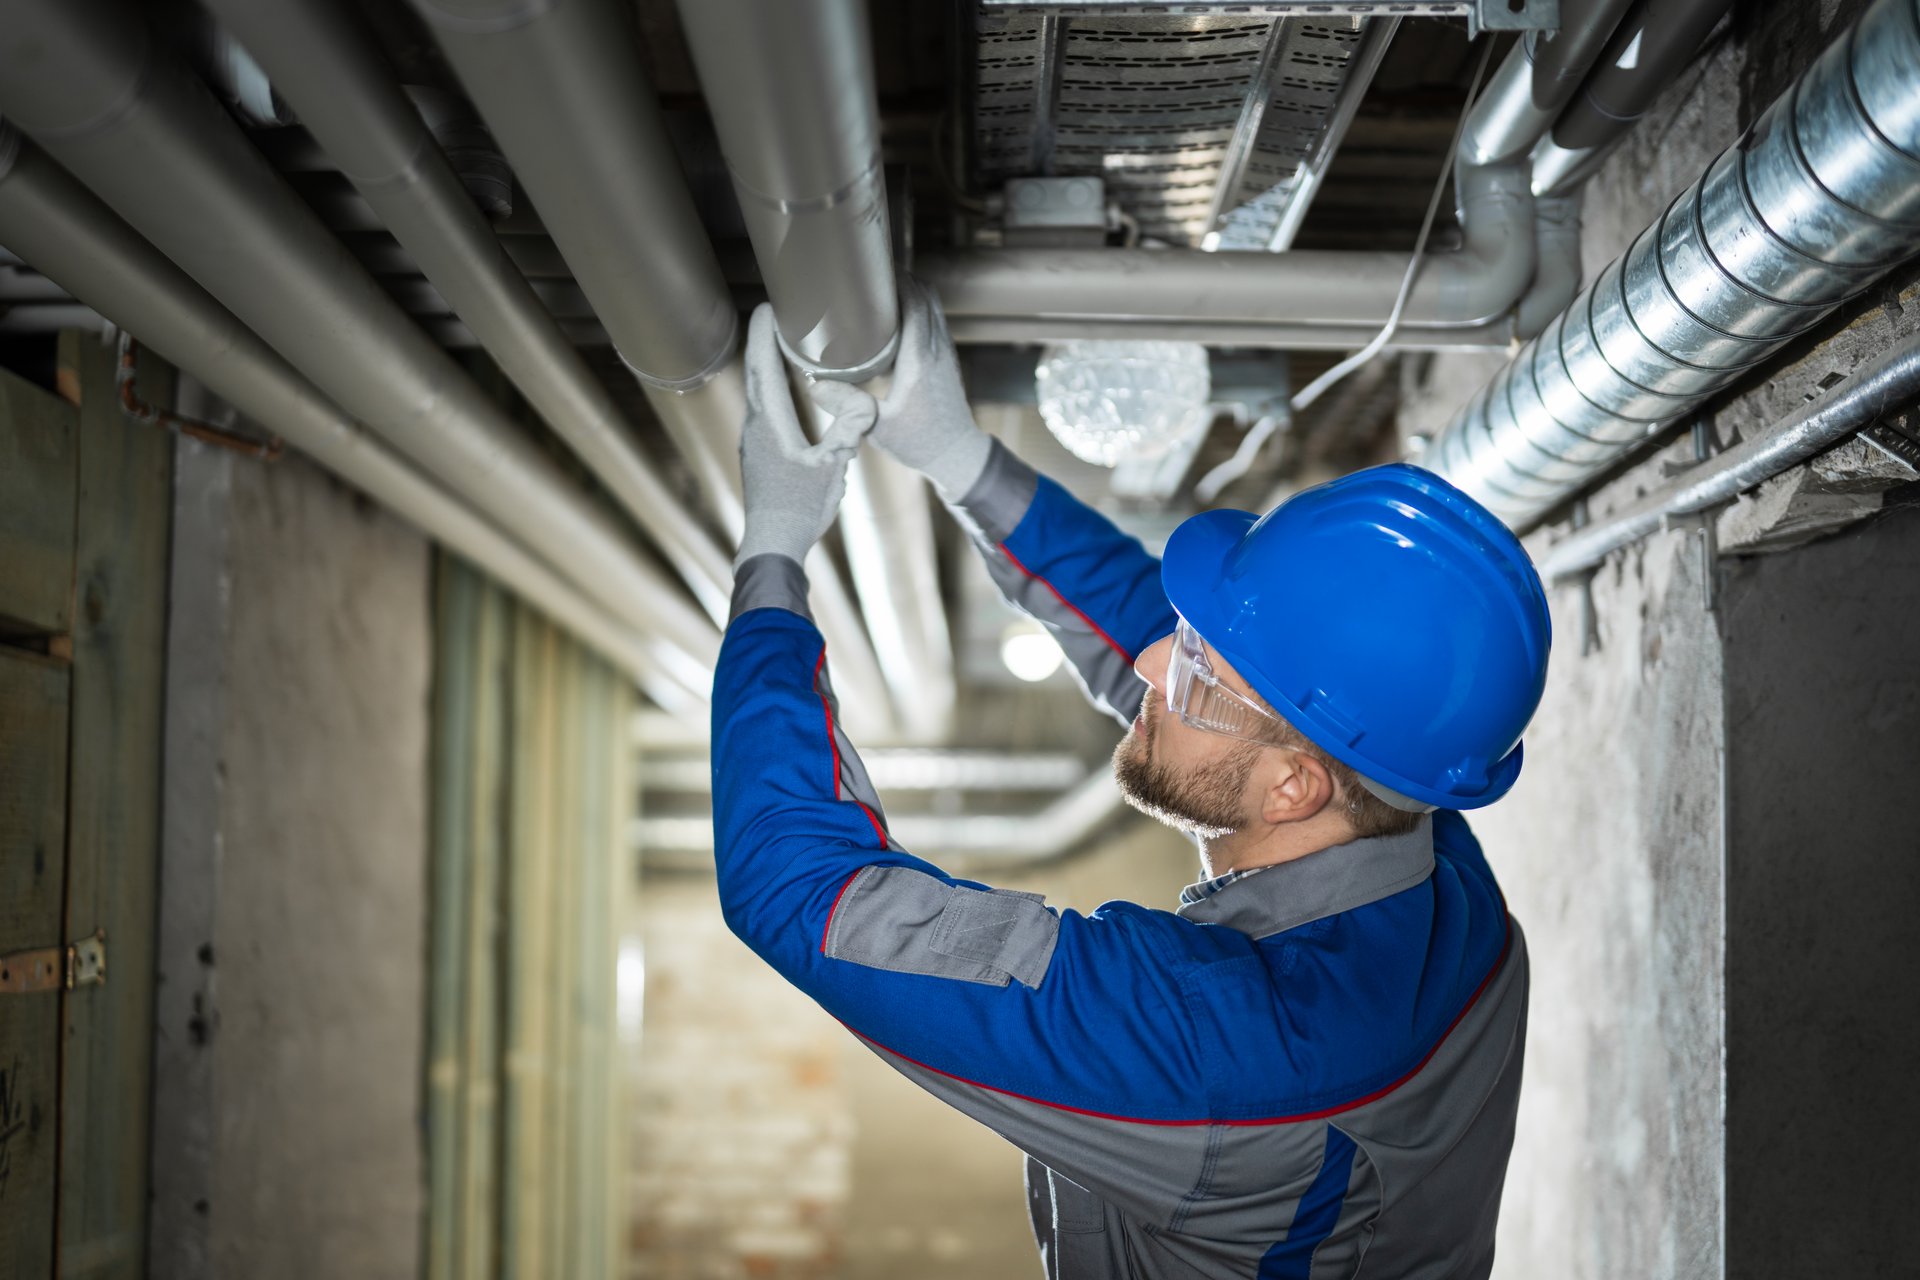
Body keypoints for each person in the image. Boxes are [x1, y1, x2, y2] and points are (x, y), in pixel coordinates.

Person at [712, 281, 1551, 1279]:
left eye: (1194, 672)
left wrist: (771, 555)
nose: (1155, 664)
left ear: (1296, 788)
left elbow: (799, 889)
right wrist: (962, 460)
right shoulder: (1431, 857)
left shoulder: (1215, 1054)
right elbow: (1178, 665)